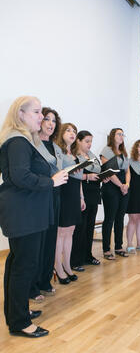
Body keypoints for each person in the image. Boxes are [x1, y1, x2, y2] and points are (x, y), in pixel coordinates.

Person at [0, 96, 68, 337]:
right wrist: (51, 181)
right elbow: (21, 177)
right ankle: (19, 323)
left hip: (24, 211)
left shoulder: (21, 140)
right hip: (24, 212)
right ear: (21, 114)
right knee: (24, 266)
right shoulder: (18, 141)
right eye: (37, 112)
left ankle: (16, 313)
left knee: (17, 263)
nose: (42, 117)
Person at [30, 107, 63, 301]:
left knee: (50, 239)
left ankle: (44, 281)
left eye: (54, 121)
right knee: (38, 243)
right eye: (47, 119)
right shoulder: (31, 144)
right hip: (40, 196)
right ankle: (32, 286)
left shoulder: (55, 147)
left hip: (55, 195)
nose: (51, 124)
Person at [54, 123, 86, 283]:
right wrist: (71, 170)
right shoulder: (57, 151)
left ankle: (67, 265)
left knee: (70, 231)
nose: (72, 133)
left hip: (74, 194)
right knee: (61, 232)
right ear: (61, 133)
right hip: (63, 192)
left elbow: (79, 180)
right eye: (68, 130)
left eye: (74, 131)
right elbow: (57, 171)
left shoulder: (76, 155)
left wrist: (81, 198)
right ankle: (58, 267)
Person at [70, 130, 102, 270]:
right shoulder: (74, 156)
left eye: (91, 141)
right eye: (87, 141)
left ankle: (87, 255)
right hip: (83, 193)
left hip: (94, 193)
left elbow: (98, 170)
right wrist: (87, 177)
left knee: (90, 227)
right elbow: (72, 174)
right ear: (78, 141)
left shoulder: (92, 155)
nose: (90, 144)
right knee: (79, 228)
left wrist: (102, 176)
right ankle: (75, 260)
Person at [100, 128, 130, 260]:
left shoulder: (123, 152)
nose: (121, 136)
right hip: (111, 187)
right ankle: (106, 249)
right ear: (112, 136)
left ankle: (119, 246)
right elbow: (109, 172)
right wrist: (121, 185)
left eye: (123, 134)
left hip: (123, 187)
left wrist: (127, 185)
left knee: (120, 218)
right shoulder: (106, 151)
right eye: (119, 134)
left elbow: (128, 171)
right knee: (109, 219)